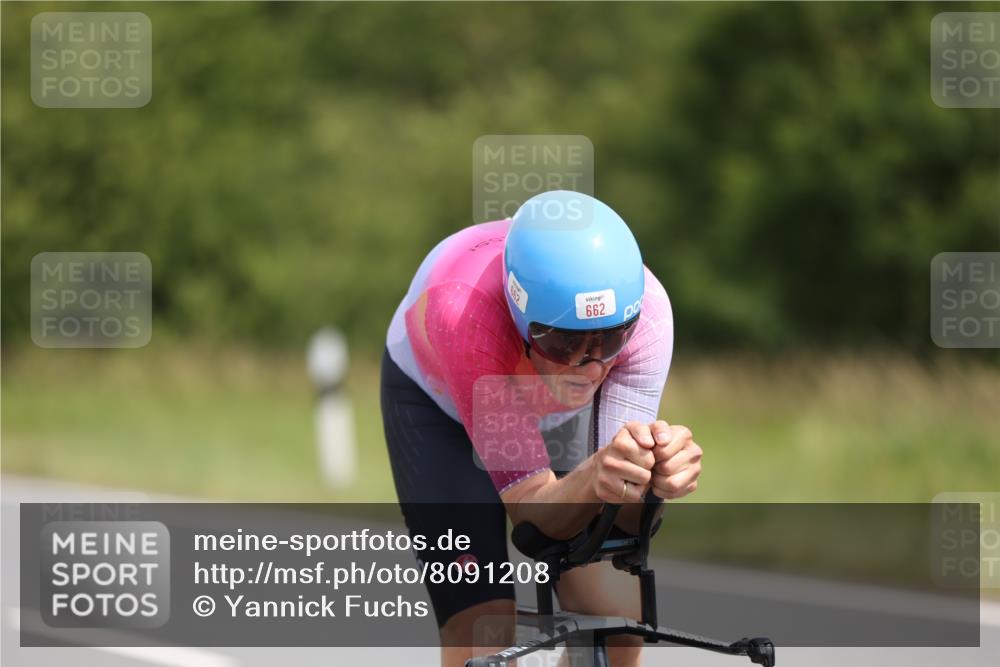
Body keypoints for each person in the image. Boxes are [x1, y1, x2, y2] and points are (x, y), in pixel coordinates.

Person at [381, 190, 702, 667]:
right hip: (440, 410)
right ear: (518, 314)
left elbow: (622, 526)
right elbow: (531, 520)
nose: (589, 368)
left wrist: (654, 481)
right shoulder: (467, 315)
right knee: (483, 629)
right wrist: (597, 476)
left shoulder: (648, 318)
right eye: (564, 341)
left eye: (610, 340)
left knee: (615, 620)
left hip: (549, 408)